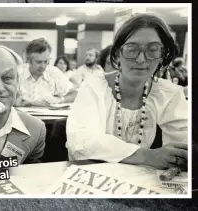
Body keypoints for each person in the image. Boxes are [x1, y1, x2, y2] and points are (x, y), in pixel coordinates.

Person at [66, 14, 188, 170]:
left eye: (153, 50)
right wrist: (149, 156)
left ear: (162, 55)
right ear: (117, 53)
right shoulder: (94, 87)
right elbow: (82, 143)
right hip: (93, 175)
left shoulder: (169, 93)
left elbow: (183, 144)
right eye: (132, 49)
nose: (141, 59)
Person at [16, 38, 77, 106]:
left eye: (46, 61)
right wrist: (17, 101)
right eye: (38, 62)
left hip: (49, 115)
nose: (43, 66)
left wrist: (60, 100)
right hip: (22, 115)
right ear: (28, 60)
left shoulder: (54, 72)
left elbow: (74, 94)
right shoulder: (17, 73)